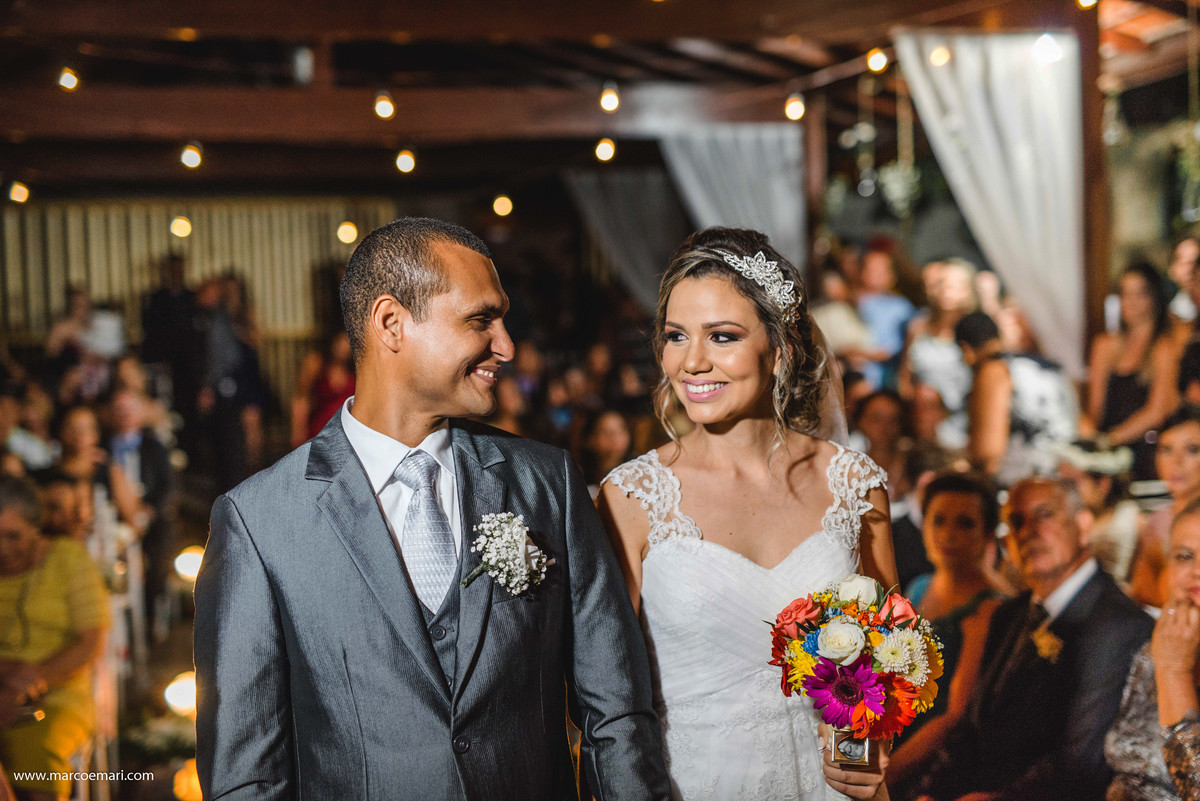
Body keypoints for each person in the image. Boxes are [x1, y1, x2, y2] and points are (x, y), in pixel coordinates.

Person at [194, 218, 670, 800]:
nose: (506, 346)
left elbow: (617, 714)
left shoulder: (548, 484)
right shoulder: (259, 523)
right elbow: (246, 778)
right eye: (481, 320)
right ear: (391, 323)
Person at [601, 227, 895, 800]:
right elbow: (607, 702)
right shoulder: (632, 499)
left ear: (780, 349)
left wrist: (872, 746)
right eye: (677, 336)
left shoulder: (855, 485)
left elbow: (889, 662)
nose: (692, 362)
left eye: (723, 336)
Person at [910, 477, 1153, 801]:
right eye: (1017, 521)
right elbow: (970, 729)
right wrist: (932, 793)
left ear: (1083, 526)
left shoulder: (1116, 625)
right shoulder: (1009, 614)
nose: (1029, 531)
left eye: (1045, 514)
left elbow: (1080, 763)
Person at [888, 472, 1006, 780]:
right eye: (938, 520)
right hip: (890, 731)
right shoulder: (919, 586)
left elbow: (957, 716)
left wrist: (883, 778)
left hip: (934, 760)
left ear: (988, 533)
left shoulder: (994, 607)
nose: (948, 534)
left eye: (965, 523)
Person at [0, 475, 110, 801]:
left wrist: (31, 680)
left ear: (36, 528)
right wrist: (8, 676)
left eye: (13, 536)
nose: (2, 547)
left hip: (58, 693)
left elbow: (91, 642)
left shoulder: (67, 558)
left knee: (37, 755)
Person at [1105, 497, 1200, 801]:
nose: (1196, 570)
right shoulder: (1154, 647)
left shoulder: (1170, 656)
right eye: (1184, 556)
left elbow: (1195, 787)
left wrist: (1174, 670)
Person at [956, 311, 1077, 487]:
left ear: (966, 350)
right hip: (1068, 478)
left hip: (1026, 486)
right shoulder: (1048, 366)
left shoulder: (993, 371)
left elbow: (988, 454)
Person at [1085, 264, 1177, 481]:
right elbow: (1095, 407)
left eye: (1139, 294)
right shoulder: (1105, 345)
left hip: (1144, 451)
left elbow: (1156, 412)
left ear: (1154, 298)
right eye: (1125, 294)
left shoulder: (1163, 348)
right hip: (1106, 454)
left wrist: (1112, 439)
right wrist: (1090, 437)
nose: (1131, 302)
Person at [1130, 406, 1200, 609]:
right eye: (1166, 450)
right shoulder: (1158, 520)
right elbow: (1141, 592)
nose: (1176, 462)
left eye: (1192, 449)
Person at [1056, 440, 1141, 586]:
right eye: (1062, 483)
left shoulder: (1130, 519)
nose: (1065, 492)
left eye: (1072, 483)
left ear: (1102, 484)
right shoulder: (1068, 519)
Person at [289, 331, 355, 447]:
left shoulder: (356, 369)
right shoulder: (316, 364)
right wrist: (298, 430)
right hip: (320, 432)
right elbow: (301, 398)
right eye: (341, 340)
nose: (344, 346)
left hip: (347, 434)